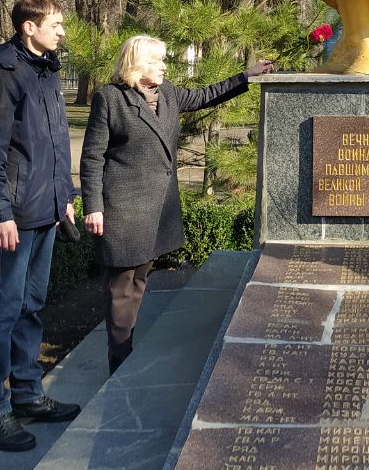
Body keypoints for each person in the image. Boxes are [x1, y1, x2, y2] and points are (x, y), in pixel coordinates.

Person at [79, 36, 273, 373]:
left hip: (156, 209)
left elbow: (206, 94)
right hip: (123, 208)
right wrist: (93, 206)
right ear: (136, 64)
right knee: (121, 286)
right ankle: (120, 360)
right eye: (157, 61)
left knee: (140, 279)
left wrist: (247, 76)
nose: (165, 66)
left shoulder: (167, 94)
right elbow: (92, 157)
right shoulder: (110, 99)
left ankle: (126, 346)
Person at [0, 0, 80, 452]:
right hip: (13, 217)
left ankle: (28, 394)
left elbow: (53, 144)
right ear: (28, 27)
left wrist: (64, 197)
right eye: (55, 23)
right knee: (1, 310)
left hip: (45, 211)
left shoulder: (46, 70)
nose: (62, 30)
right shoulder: (2, 72)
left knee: (31, 306)